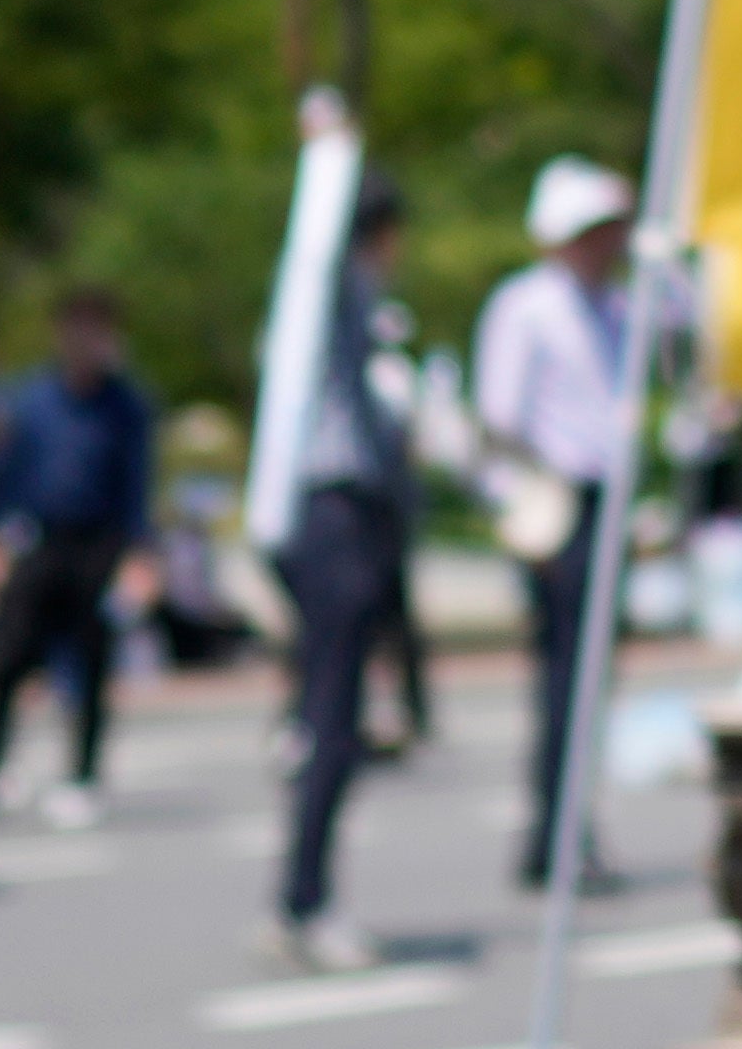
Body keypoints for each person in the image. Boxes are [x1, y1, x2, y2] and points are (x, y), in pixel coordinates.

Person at [470, 162, 656, 889]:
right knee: (565, 680)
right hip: (555, 503)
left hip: (603, 500)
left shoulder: (617, 305)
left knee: (592, 679)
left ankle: (570, 827)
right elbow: (499, 417)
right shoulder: (528, 306)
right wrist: (521, 511)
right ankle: (555, 832)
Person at [258, 176, 424, 969]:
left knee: (328, 711)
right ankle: (305, 900)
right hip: (336, 515)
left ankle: (304, 895)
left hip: (324, 519)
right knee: (334, 716)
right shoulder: (333, 289)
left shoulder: (326, 298)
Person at [0, 288, 160, 832]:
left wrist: (141, 556)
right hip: (38, 541)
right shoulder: (33, 401)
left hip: (99, 545)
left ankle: (83, 777)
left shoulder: (126, 405)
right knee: (7, 658)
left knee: (91, 664)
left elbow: (138, 486)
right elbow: (6, 479)